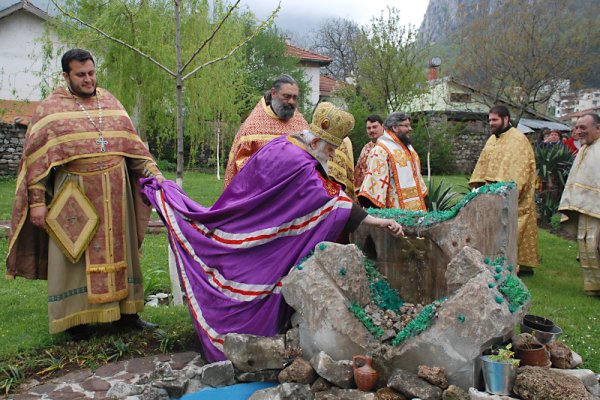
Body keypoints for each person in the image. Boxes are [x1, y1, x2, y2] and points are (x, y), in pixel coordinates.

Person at [141, 102, 404, 361]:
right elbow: (328, 198)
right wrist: (377, 222)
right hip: (257, 232)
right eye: (332, 148)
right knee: (250, 281)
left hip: (249, 221)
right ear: (315, 143)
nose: (333, 154)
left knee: (241, 267)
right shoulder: (300, 164)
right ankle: (241, 342)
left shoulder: (286, 143)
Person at [6, 49, 164, 337]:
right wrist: (38, 203)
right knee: (74, 257)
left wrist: (158, 178)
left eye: (91, 73)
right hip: (75, 196)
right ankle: (76, 321)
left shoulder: (110, 102)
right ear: (66, 75)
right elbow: (36, 162)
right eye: (81, 75)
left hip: (116, 196)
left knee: (124, 252)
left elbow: (133, 147)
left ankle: (127, 316)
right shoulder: (51, 109)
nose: (88, 79)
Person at [469, 105, 539, 274]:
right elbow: (483, 164)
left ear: (506, 119)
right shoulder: (493, 139)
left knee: (512, 229)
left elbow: (519, 170)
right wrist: (478, 187)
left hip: (510, 195)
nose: (491, 123)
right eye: (489, 120)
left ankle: (515, 266)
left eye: (494, 120)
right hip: (491, 192)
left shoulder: (518, 140)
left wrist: (504, 191)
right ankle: (495, 260)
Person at [223, 74, 309, 188]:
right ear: (273, 93)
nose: (291, 102)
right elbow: (240, 164)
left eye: (295, 97)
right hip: (261, 193)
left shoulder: (302, 125)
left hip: (294, 193)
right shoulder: (252, 127)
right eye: (286, 96)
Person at [558, 113, 600, 296]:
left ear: (597, 128)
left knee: (596, 244)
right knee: (586, 243)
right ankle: (593, 286)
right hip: (584, 208)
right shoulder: (584, 149)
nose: (579, 132)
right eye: (577, 128)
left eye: (583, 128)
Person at [357, 112, 428, 211]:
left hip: (415, 207)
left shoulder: (408, 149)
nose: (410, 129)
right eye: (406, 126)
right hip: (393, 213)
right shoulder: (381, 150)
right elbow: (373, 190)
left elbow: (416, 176)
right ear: (395, 127)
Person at [353, 114, 384, 193]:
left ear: (383, 126)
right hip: (368, 194)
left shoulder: (390, 146)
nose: (371, 130)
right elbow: (358, 174)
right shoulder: (366, 148)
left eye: (374, 127)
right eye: (369, 128)